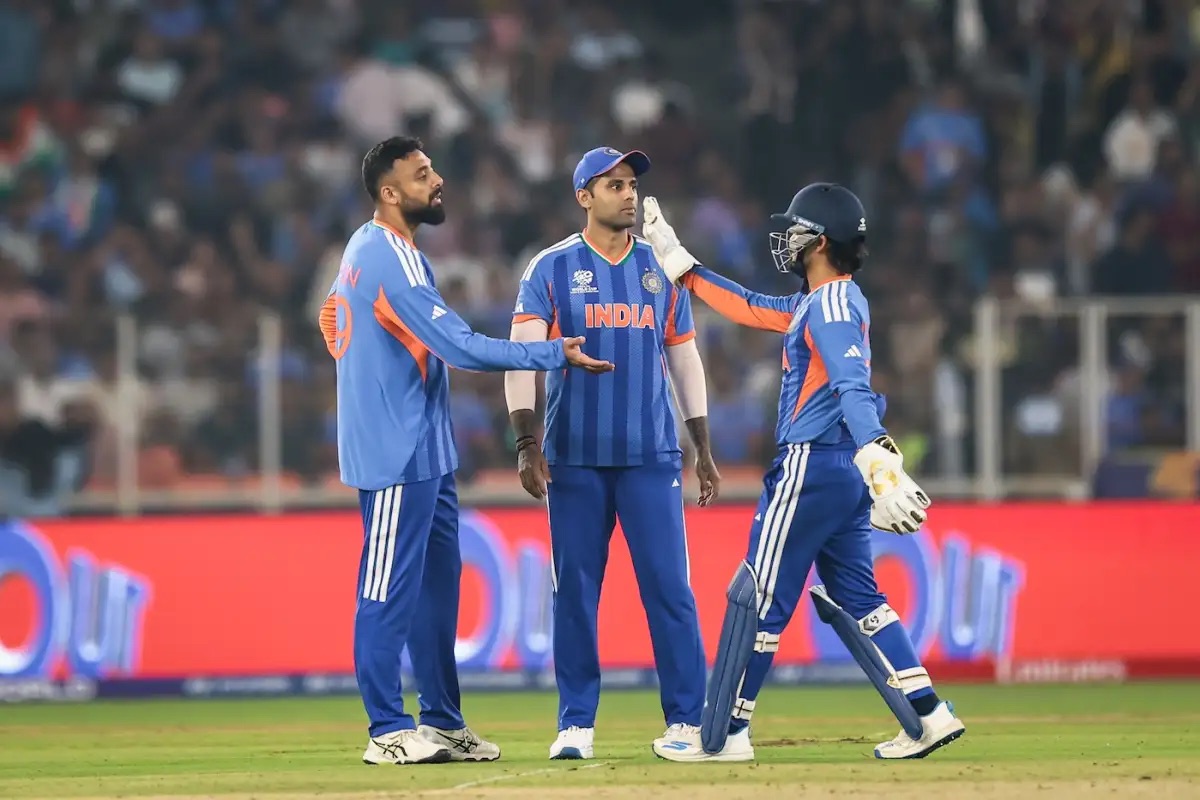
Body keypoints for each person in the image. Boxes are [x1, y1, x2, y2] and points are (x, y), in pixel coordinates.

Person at [641, 184, 966, 762]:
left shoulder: (831, 304)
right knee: (860, 598)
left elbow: (851, 385)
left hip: (812, 464)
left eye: (795, 231)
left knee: (758, 596)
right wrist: (680, 264)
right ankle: (929, 714)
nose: (785, 241)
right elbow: (750, 307)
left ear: (819, 242)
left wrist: (878, 455)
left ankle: (724, 734)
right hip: (840, 472)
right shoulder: (824, 301)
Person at [319, 136, 613, 766]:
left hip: (427, 453)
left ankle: (443, 724)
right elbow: (460, 347)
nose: (437, 181)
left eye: (432, 170)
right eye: (422, 175)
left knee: (435, 596)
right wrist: (551, 352)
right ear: (389, 193)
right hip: (396, 456)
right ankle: (386, 730)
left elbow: (332, 320)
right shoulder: (386, 258)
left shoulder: (378, 249)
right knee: (385, 591)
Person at [504, 147, 717, 760]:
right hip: (574, 458)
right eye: (614, 185)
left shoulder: (660, 268)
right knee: (574, 593)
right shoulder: (550, 268)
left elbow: (684, 357)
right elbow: (521, 358)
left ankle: (687, 720)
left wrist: (701, 446)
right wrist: (526, 443)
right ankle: (575, 723)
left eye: (632, 185)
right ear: (584, 197)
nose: (629, 195)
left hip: (651, 456)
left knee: (669, 590)